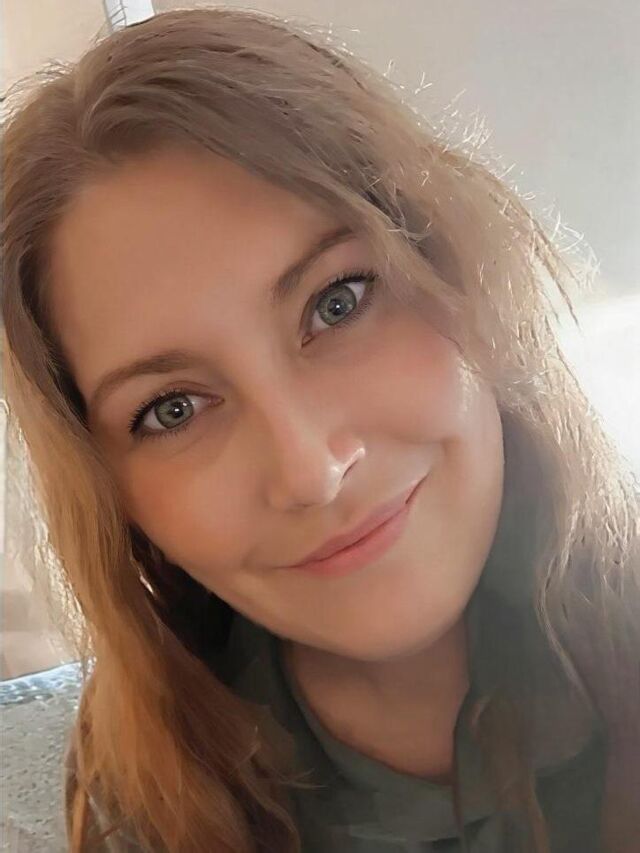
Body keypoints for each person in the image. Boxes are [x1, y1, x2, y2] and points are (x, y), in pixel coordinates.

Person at [1, 8, 638, 853]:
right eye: (173, 408)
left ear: (457, 271)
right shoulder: (138, 803)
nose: (312, 467)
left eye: (337, 303)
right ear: (113, 495)